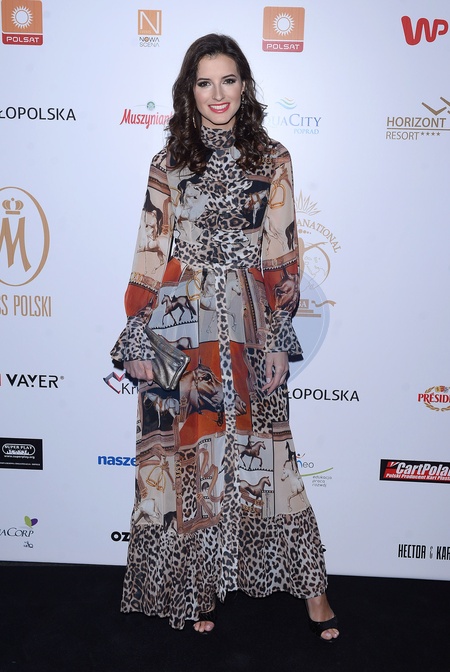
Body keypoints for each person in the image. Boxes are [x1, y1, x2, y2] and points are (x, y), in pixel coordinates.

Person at [111, 33, 339, 641]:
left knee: (271, 454)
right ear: (189, 90)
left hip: (247, 322)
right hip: (178, 325)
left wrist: (278, 333)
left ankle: (312, 589)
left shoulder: (272, 158)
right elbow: (149, 251)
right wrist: (139, 333)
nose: (218, 94)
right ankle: (196, 584)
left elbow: (282, 253)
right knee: (189, 457)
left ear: (245, 85)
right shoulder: (168, 162)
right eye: (205, 82)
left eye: (229, 80)